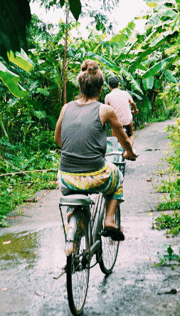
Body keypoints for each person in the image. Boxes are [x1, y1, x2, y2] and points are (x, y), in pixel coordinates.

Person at [54, 60, 137, 242]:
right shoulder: (105, 110)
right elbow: (122, 138)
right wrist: (130, 153)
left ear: (80, 87)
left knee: (74, 193)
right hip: (96, 175)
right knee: (118, 178)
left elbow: (58, 140)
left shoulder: (66, 108)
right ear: (101, 90)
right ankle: (109, 220)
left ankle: (73, 240)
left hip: (65, 178)